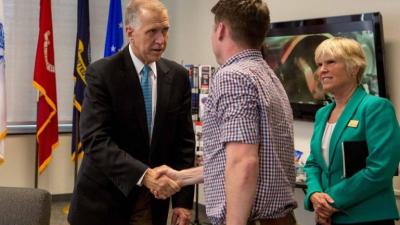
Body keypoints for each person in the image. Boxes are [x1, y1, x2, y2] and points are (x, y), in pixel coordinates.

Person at [153, 1, 297, 225]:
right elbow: (235, 160)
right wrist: (182, 177)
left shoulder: (232, 76)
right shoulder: (267, 75)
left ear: (220, 29)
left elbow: (243, 163)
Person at [68, 0, 195, 225]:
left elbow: (183, 143)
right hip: (103, 203)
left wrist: (183, 202)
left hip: (152, 204)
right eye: (152, 32)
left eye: (165, 30)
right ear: (130, 32)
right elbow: (95, 140)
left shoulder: (177, 76)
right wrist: (144, 176)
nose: (161, 40)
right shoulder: (102, 73)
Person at [304, 37, 400, 225]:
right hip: (328, 217)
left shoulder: (376, 108)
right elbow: (313, 163)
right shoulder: (322, 113)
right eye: (319, 64)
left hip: (366, 218)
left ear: (354, 67)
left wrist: (330, 200)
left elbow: (381, 168)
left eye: (330, 62)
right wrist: (314, 194)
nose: (322, 70)